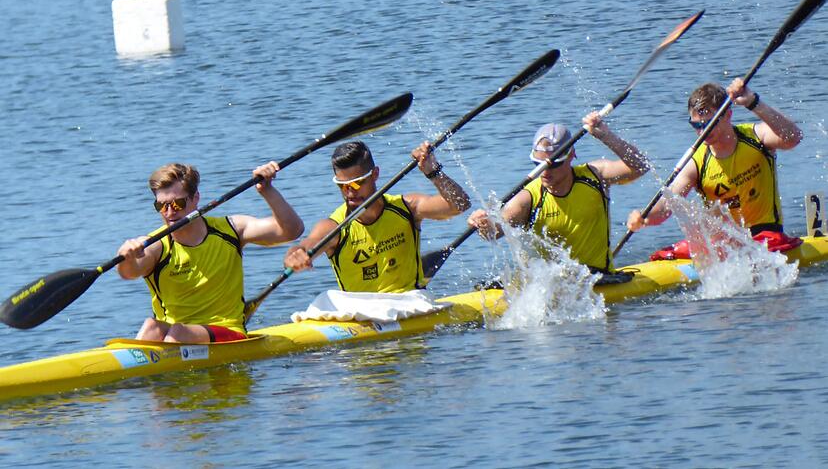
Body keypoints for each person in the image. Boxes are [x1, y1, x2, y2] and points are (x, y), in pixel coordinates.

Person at [117, 162, 304, 343]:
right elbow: (129, 272)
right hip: (176, 334)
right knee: (152, 327)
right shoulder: (156, 245)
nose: (169, 212)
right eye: (161, 206)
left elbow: (291, 230)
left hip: (228, 331)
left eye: (177, 204)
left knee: (178, 332)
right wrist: (127, 257)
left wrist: (267, 190)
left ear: (195, 198)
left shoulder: (231, 230)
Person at [626, 78, 804, 259]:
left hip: (765, 237)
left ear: (727, 114)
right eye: (696, 125)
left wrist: (753, 102)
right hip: (722, 243)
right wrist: (643, 217)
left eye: (709, 123)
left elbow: (793, 137)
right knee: (662, 254)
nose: (703, 131)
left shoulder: (757, 137)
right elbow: (666, 206)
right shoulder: (696, 163)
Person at [467, 112, 650, 277]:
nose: (545, 172)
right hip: (548, 286)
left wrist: (606, 135)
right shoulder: (527, 199)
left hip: (597, 278)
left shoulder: (595, 176)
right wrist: (482, 223)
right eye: (537, 165)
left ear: (571, 156)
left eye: (553, 165)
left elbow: (641, 166)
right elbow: (493, 232)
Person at [283, 140, 471, 292]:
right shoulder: (334, 227)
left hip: (410, 304)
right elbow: (310, 243)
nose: (350, 193)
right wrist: (296, 255)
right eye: (342, 186)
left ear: (375, 175)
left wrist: (433, 172)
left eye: (357, 184)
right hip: (361, 315)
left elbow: (461, 204)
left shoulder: (407, 207)